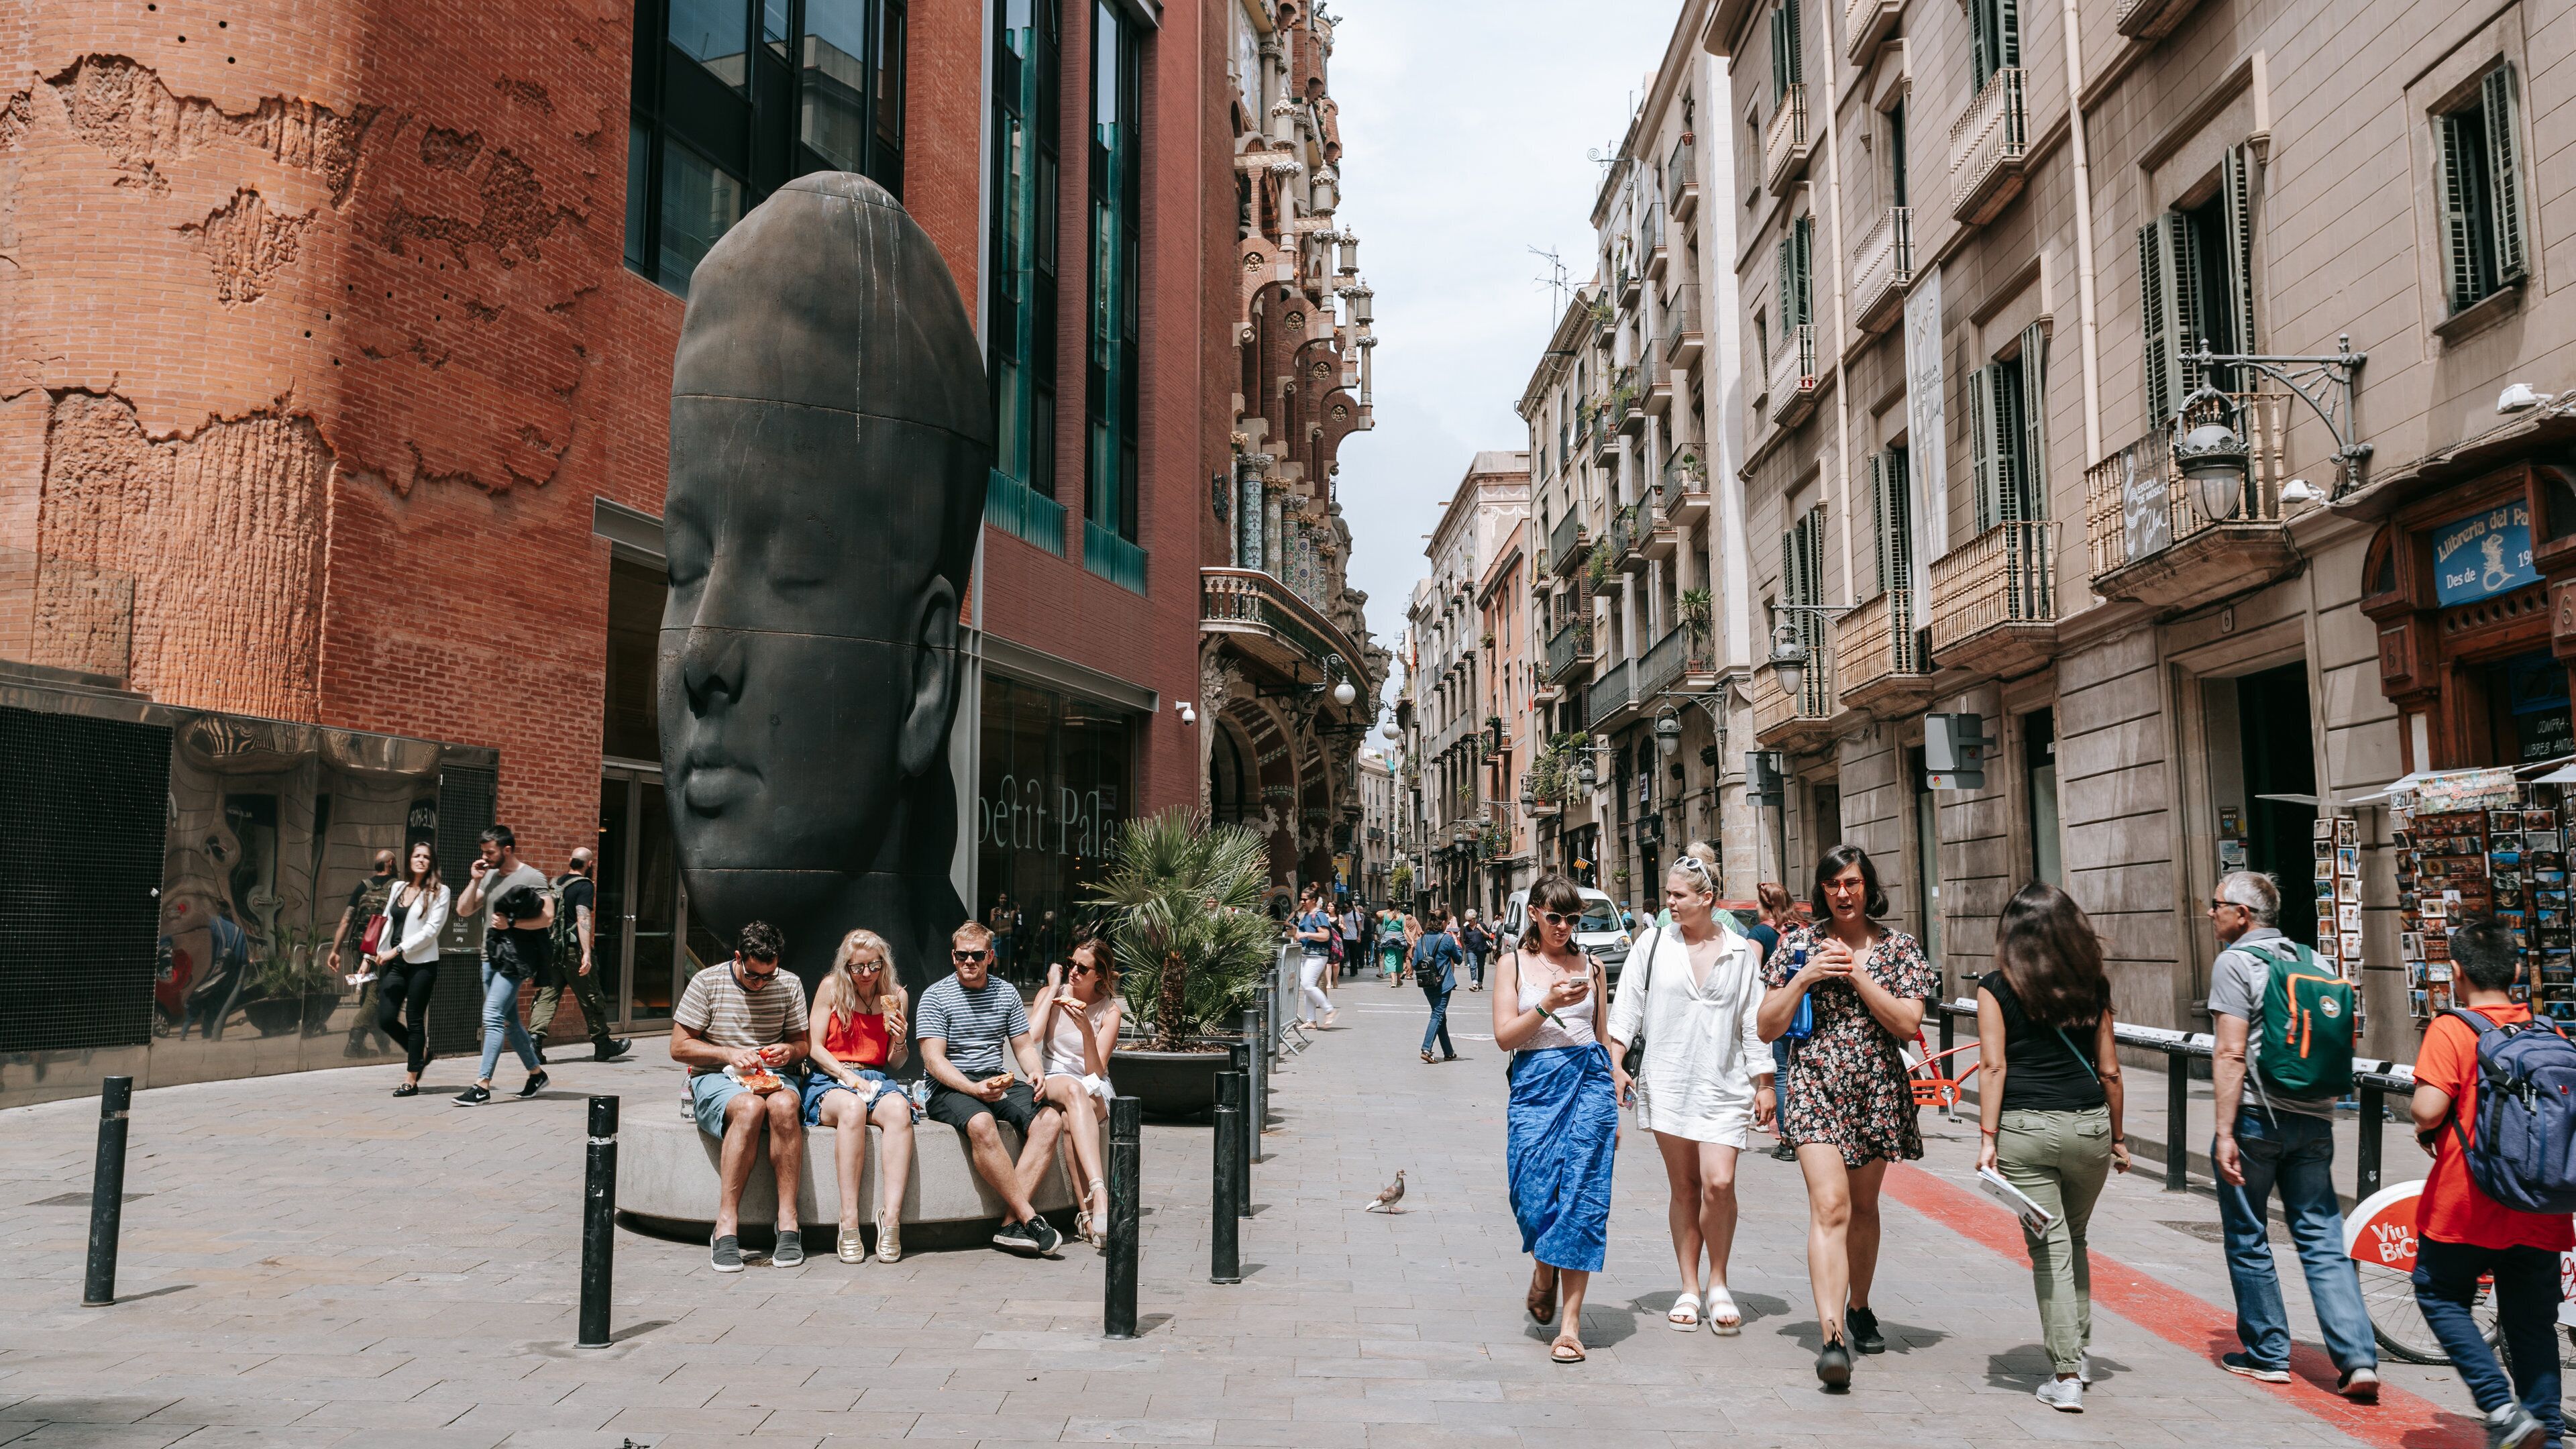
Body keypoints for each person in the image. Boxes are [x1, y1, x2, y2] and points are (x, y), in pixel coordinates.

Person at [1756, 843, 1935, 1389]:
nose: (1843, 893)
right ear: (1821, 890)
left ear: (1867, 886)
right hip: (1815, 1084)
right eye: (1833, 884)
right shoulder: (1797, 946)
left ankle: (1860, 1305)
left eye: (1852, 883)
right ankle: (1832, 1336)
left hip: (1876, 1088)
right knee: (1829, 1206)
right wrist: (1805, 977)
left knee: (1862, 1207)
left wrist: (1856, 976)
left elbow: (1908, 1023)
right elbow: (1766, 1025)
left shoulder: (1900, 948)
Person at [2205, 870, 2378, 1397]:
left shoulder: (2235, 963)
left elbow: (2231, 1052)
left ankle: (2267, 1352)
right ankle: (2358, 1360)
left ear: (2243, 915)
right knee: (2323, 1240)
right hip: (2316, 1118)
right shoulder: (2316, 961)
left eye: (2217, 904)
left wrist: (2224, 1131)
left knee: (2248, 1233)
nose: (2210, 912)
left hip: (2258, 1116)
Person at [2409, 915, 2569, 1449]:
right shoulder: (2551, 1031)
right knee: (2531, 1327)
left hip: (2470, 1200)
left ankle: (2500, 1406)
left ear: (2455, 972)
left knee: (2438, 1293)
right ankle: (2545, 1436)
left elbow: (2428, 1109)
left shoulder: (2453, 1028)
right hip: (2543, 1204)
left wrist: (2426, 1123)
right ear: (2518, 970)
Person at [1975, 882, 2131, 1412]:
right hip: (2090, 1129)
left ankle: (2065, 1373)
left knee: (2051, 1248)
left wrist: (1987, 1139)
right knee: (2076, 1237)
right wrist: (2120, 1136)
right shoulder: (2093, 984)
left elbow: (1994, 1066)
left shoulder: (1995, 987)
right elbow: (2110, 1071)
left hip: (2023, 1132)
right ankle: (2080, 1352)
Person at [1607, 852, 1774, 1335]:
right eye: (1669, 895)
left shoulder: (1741, 951)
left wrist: (1765, 1082)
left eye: (1679, 896)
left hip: (1725, 1084)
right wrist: (1615, 1062)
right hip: (1670, 1080)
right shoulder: (1654, 944)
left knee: (1718, 1183)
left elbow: (1752, 1020)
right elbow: (1628, 1008)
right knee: (1685, 1187)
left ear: (1707, 898)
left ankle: (1718, 1281)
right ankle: (1689, 1287)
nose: (1671, 904)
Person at [1494, 874, 1619, 1364]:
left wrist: (1613, 1091)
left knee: (1584, 1199)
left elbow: (1603, 1036)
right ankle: (1544, 1270)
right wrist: (1548, 1004)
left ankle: (1570, 1326)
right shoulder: (1513, 964)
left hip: (1589, 1081)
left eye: (1573, 919)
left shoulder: (1592, 966)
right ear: (1534, 914)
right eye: (1555, 917)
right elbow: (1506, 1037)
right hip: (1534, 1086)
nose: (1564, 927)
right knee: (1531, 1195)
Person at [916, 922, 1065, 1255]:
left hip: (997, 1077)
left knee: (1051, 1120)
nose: (970, 961)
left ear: (990, 956)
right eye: (962, 955)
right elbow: (933, 1061)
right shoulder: (935, 996)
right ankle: (1029, 1217)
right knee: (982, 1123)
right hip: (949, 1085)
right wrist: (972, 1087)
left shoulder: (1006, 992)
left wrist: (1036, 1071)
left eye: (978, 955)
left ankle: (1010, 1225)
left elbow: (1024, 1046)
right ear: (953, 957)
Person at [672, 920, 811, 1271]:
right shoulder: (707, 982)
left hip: (772, 1074)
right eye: (754, 976)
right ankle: (725, 1226)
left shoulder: (790, 983)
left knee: (784, 1104)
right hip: (718, 1075)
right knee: (749, 1108)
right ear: (738, 958)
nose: (762, 983)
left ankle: (788, 1221)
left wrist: (789, 1052)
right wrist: (728, 1053)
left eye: (769, 975)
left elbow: (802, 1044)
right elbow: (678, 1047)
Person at [803, 928, 918, 1265]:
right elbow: (813, 1046)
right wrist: (845, 1075)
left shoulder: (896, 996)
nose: (866, 974)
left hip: (875, 1078)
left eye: (874, 966)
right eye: (858, 967)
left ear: (884, 964)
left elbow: (894, 1062)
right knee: (852, 1109)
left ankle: (892, 1220)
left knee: (899, 1110)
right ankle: (849, 1221)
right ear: (846, 966)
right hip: (832, 1077)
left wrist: (899, 1041)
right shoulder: (830, 989)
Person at [452, 824, 553, 1106]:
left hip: (516, 958)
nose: (484, 857)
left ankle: (482, 1085)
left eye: (489, 852)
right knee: (511, 1022)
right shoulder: (490, 877)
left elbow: (547, 917)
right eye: (483, 852)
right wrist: (475, 880)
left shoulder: (532, 876)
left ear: (507, 850)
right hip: (490, 957)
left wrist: (512, 923)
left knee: (493, 1015)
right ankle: (536, 1073)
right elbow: (463, 910)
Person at [1035, 938, 1124, 1247]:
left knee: (1073, 1119)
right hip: (1054, 1077)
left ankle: (1086, 1218)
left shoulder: (1110, 1011)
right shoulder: (1052, 994)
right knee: (1073, 1091)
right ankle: (1100, 1194)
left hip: (1092, 1083)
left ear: (1099, 975)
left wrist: (1087, 1028)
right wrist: (1052, 988)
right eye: (1070, 963)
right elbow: (1031, 1035)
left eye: (1082, 968)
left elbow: (1096, 1072)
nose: (1074, 971)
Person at [529, 847, 631, 1064]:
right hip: (573, 952)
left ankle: (534, 1043)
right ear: (589, 865)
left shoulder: (555, 883)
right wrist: (586, 953)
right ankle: (603, 1045)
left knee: (546, 998)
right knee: (591, 997)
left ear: (570, 861)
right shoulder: (584, 886)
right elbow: (582, 917)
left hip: (552, 951)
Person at [370, 841, 451, 1096]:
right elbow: (385, 921)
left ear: (432, 862)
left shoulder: (440, 892)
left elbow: (431, 931)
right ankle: (422, 1054)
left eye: (426, 857)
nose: (421, 860)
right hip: (394, 964)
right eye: (417, 855)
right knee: (385, 1018)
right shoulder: (398, 887)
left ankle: (411, 1079)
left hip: (422, 964)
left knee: (415, 1020)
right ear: (410, 860)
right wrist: (369, 955)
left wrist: (397, 950)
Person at [1747, 881, 1799, 1163]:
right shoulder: (1802, 929)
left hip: (1777, 1010)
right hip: (1807, 1013)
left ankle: (1788, 1142)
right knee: (1802, 1072)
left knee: (1780, 1073)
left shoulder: (1761, 932)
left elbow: (1750, 972)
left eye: (1757, 903)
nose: (1755, 907)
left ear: (1766, 906)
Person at [329, 849, 399, 979]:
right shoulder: (397, 887)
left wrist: (335, 951)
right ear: (392, 863)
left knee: (363, 984)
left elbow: (346, 921)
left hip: (361, 947)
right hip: (387, 949)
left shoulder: (363, 886)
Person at [1415, 914, 1462, 1063]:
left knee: (1441, 1016)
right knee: (1437, 1015)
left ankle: (1449, 1052)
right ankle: (1426, 1049)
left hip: (1427, 984)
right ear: (1442, 923)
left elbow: (1416, 963)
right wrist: (1456, 942)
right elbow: (1459, 959)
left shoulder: (1420, 940)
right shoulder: (1446, 939)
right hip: (1443, 984)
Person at [1292, 888, 1338, 1030]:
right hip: (1306, 954)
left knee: (1308, 985)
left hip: (1318, 955)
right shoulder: (1305, 914)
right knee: (1307, 988)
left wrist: (1306, 934)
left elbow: (1325, 935)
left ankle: (1329, 1010)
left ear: (1313, 900)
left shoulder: (1319, 915)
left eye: (1305, 899)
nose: (1302, 902)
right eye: (1301, 899)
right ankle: (1311, 1020)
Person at [987, 892, 1021, 980]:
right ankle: (993, 984)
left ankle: (1006, 985)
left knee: (1007, 968)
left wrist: (1003, 917)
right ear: (998, 899)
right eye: (1001, 898)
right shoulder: (994, 911)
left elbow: (1011, 925)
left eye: (1005, 898)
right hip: (996, 939)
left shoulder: (1011, 912)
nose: (1003, 900)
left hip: (1006, 939)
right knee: (996, 966)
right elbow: (991, 926)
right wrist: (995, 918)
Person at [1460, 909, 1492, 991]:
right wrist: (1466, 948)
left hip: (1481, 949)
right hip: (1471, 950)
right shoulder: (1466, 928)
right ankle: (1475, 984)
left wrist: (1481, 930)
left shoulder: (1481, 925)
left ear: (1475, 919)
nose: (1469, 922)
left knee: (1481, 967)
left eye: (1471, 920)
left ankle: (1480, 983)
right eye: (1468, 920)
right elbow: (1465, 939)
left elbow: (1488, 936)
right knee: (1473, 966)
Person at [1377, 908, 1407, 982]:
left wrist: (1388, 910)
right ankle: (1399, 980)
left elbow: (1378, 913)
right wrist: (1411, 940)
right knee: (1399, 960)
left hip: (1388, 940)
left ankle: (1393, 981)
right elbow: (1405, 929)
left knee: (1390, 959)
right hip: (1400, 940)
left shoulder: (1386, 914)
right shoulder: (1402, 915)